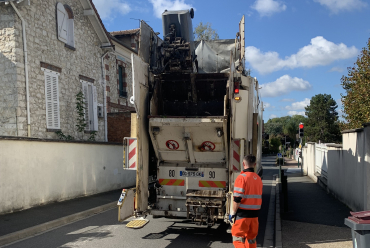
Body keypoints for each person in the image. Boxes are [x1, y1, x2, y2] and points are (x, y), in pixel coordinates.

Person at [229, 154, 263, 248]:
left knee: (237, 238)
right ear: (255, 164)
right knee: (251, 239)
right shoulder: (258, 179)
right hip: (255, 216)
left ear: (243, 164)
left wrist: (232, 213)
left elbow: (237, 198)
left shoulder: (242, 177)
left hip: (242, 215)